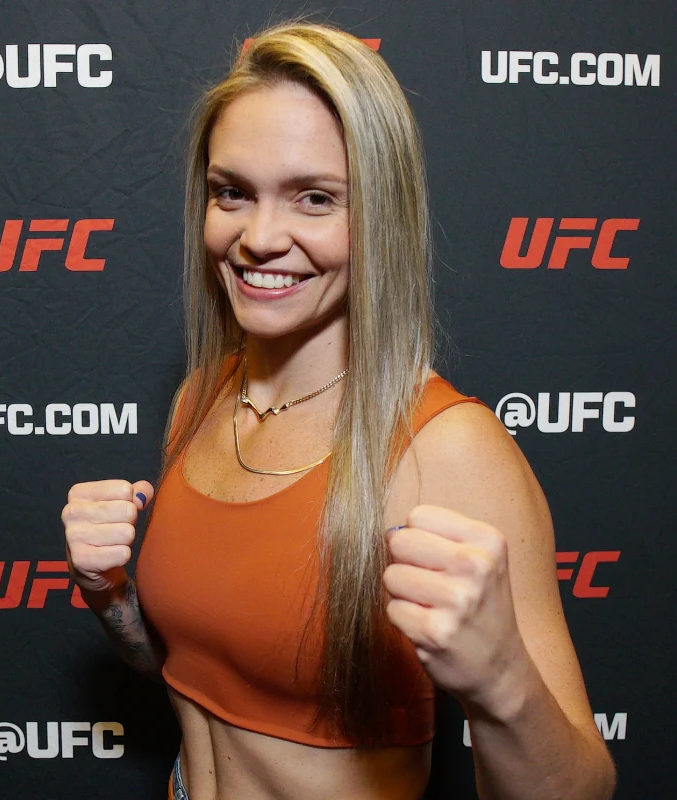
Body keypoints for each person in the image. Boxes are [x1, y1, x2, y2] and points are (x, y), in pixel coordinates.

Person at [62, 20, 616, 800]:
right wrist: (111, 594)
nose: (259, 238)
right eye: (232, 192)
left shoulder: (444, 448)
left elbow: (580, 791)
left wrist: (502, 683)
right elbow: (192, 671)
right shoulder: (201, 396)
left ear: (382, 215)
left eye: (315, 198)